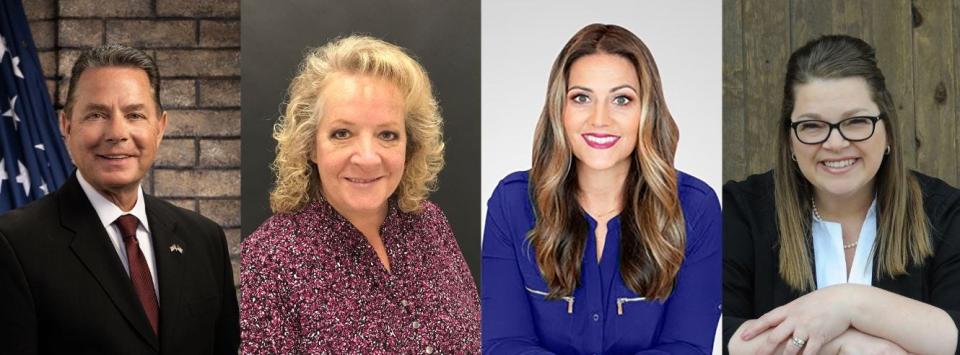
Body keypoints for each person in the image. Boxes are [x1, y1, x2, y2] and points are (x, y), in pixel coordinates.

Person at [482, 23, 721, 354]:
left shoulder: (696, 208)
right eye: (581, 98)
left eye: (621, 99)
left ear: (646, 111)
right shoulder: (511, 204)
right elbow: (504, 344)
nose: (599, 119)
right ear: (559, 110)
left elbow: (687, 346)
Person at [239, 35, 480, 353]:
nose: (367, 158)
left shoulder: (430, 223)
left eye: (387, 134)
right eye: (342, 133)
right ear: (311, 144)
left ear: (410, 145)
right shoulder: (266, 263)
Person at [724, 35, 960, 355]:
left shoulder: (946, 214)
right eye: (812, 126)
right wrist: (851, 348)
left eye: (856, 121)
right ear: (790, 140)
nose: (835, 143)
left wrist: (849, 303)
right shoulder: (740, 210)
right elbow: (720, 334)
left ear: (888, 130)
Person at [0, 45, 240, 354]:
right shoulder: (14, 245)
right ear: (67, 125)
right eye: (97, 114)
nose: (117, 133)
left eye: (135, 114)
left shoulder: (204, 239)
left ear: (160, 128)